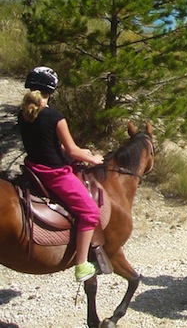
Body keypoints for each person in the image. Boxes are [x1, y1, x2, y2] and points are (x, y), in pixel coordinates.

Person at [17, 67, 105, 282]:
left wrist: (77, 152)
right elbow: (72, 151)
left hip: (33, 168)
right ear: (51, 91)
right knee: (90, 213)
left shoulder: (23, 114)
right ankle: (82, 265)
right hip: (54, 174)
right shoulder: (55, 116)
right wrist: (93, 158)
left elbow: (48, 144)